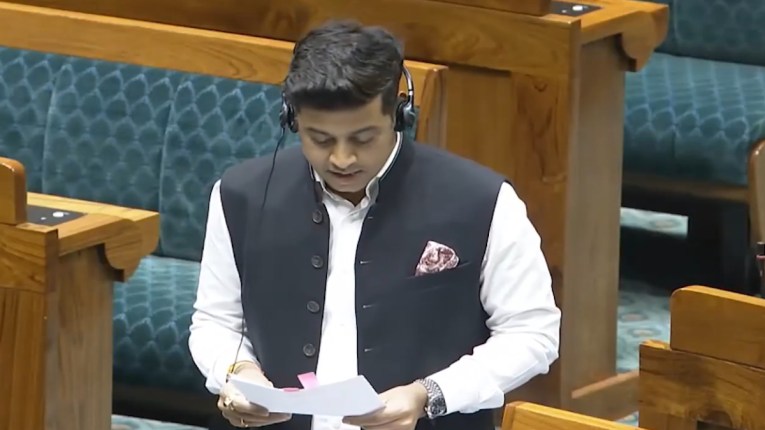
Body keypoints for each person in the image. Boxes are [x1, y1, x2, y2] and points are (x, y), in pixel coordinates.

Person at [189, 20, 561, 430]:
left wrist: (430, 394)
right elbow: (215, 322)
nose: (342, 159)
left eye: (363, 139)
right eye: (320, 139)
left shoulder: (483, 200)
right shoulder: (240, 195)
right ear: (291, 120)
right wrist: (239, 373)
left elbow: (532, 332)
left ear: (399, 115)